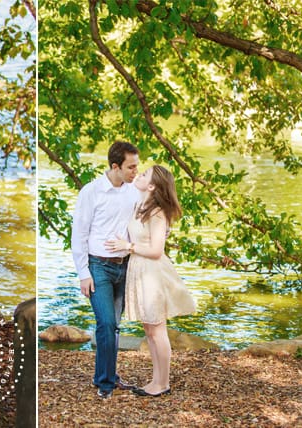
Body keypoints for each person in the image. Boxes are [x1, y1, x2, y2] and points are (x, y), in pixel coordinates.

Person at [104, 165, 196, 397]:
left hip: (152, 272)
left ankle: (163, 383)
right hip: (139, 269)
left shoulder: (157, 213)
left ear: (153, 186)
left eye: (144, 175)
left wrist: (128, 246)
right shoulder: (140, 205)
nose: (139, 175)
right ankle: (156, 379)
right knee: (149, 328)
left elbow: (156, 250)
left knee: (157, 329)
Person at [71, 141, 140, 399]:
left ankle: (107, 375)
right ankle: (105, 384)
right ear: (115, 166)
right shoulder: (91, 192)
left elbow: (146, 219)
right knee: (106, 323)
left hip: (124, 266)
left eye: (136, 166)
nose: (135, 171)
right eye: (130, 167)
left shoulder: (133, 192)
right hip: (98, 266)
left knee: (114, 326)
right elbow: (79, 234)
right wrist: (83, 274)